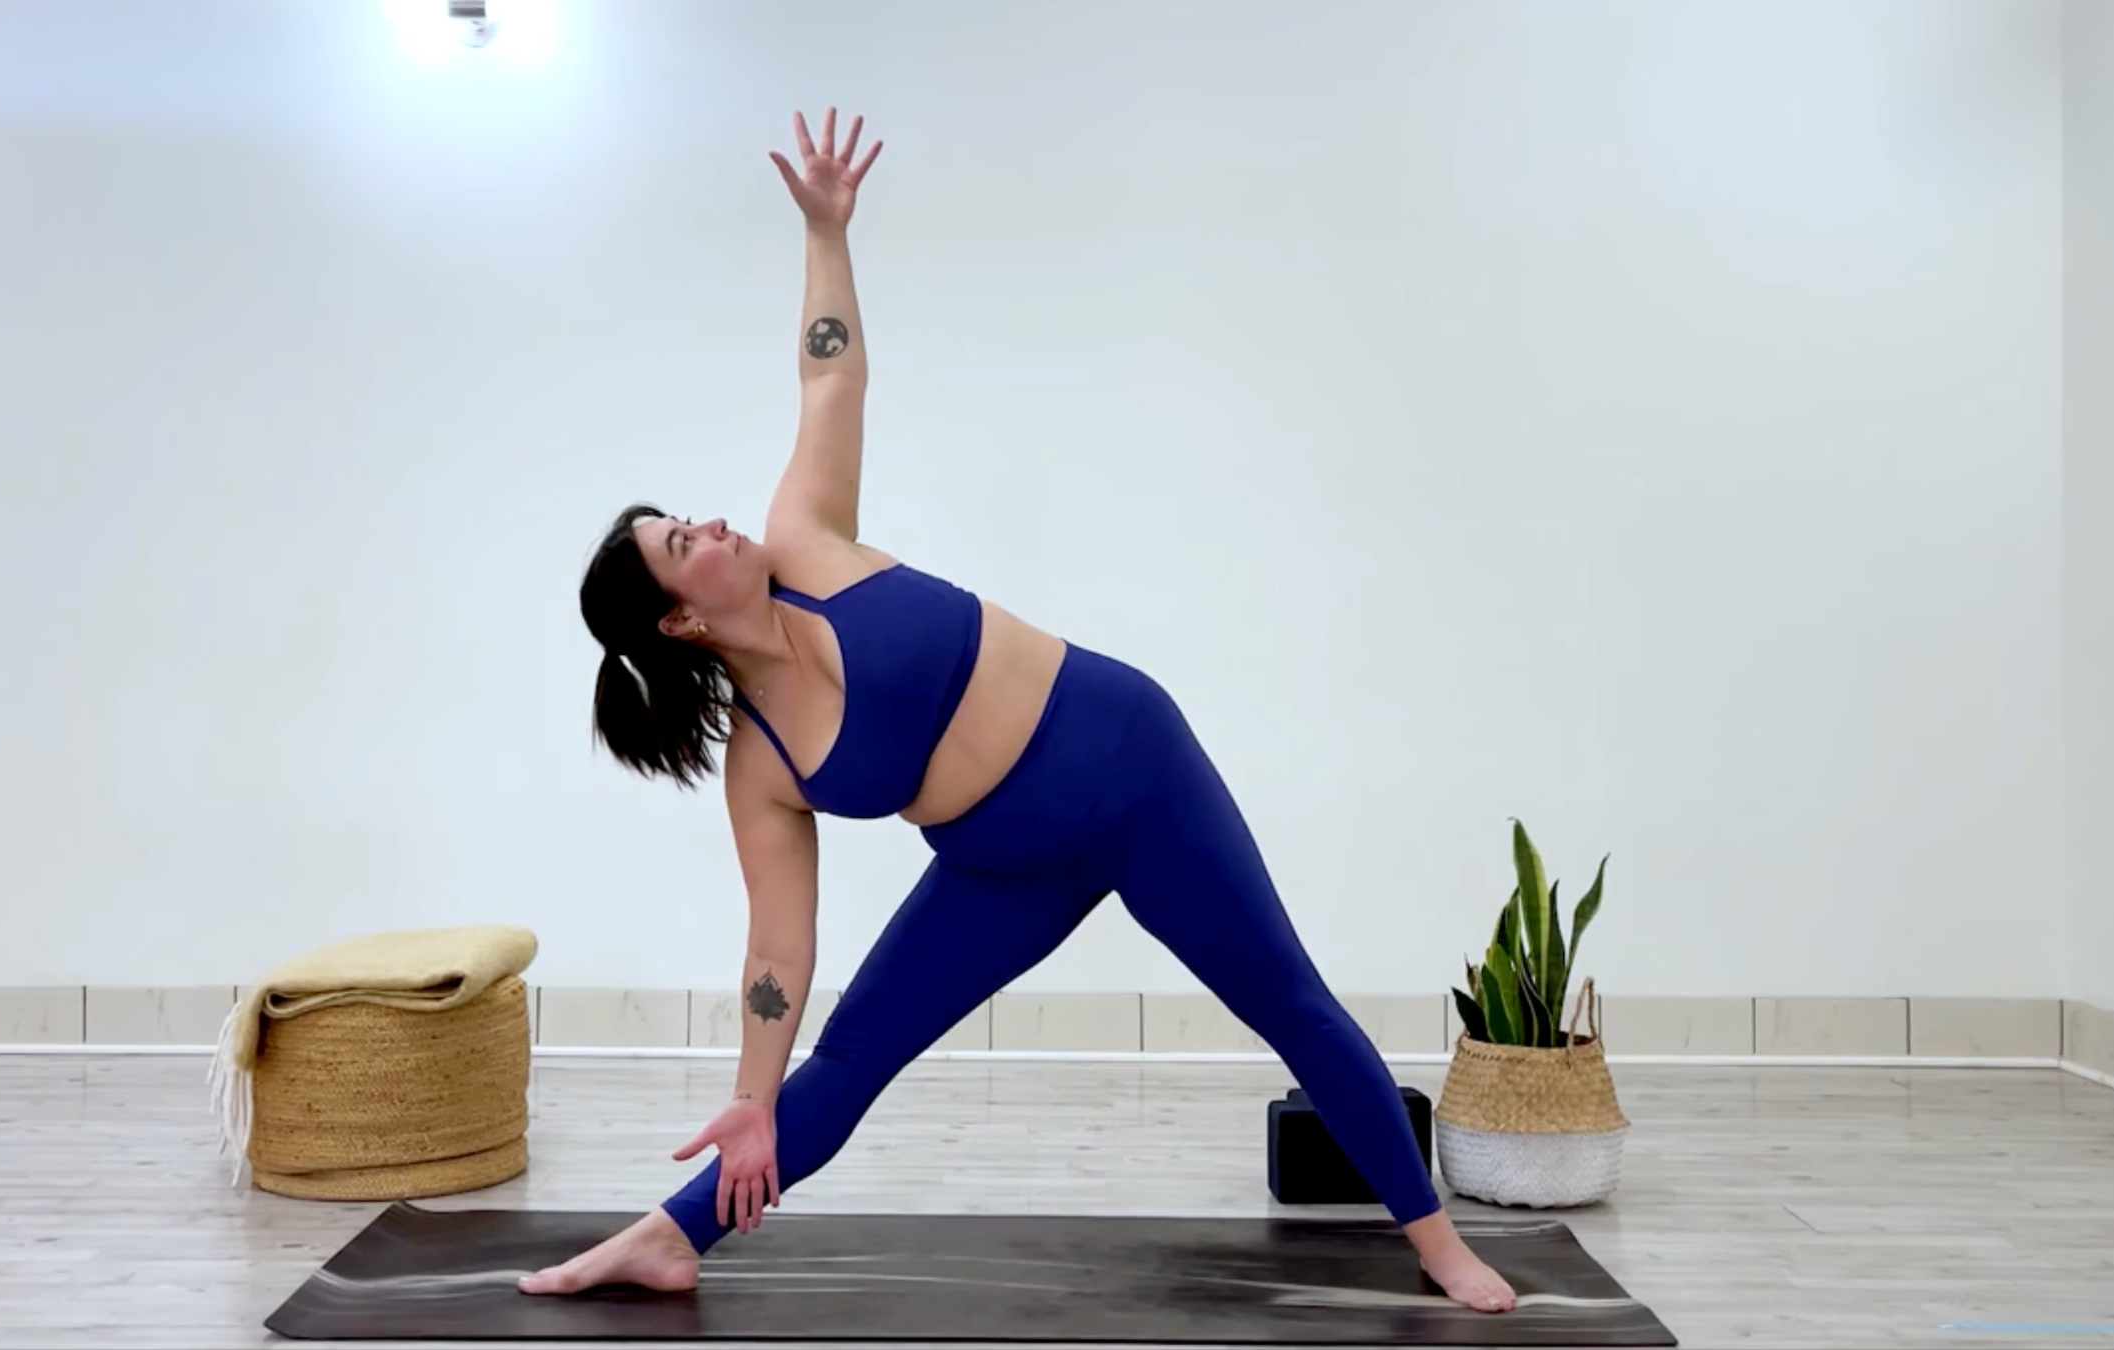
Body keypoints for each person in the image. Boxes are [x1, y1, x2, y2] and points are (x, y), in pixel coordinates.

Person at [517, 109, 1516, 1315]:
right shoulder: (761, 765)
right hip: (1004, 864)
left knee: (1287, 1002)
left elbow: (830, 369)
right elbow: (778, 954)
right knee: (842, 1063)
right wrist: (748, 1085)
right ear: (678, 620)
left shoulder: (809, 542)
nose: (715, 524)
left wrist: (827, 232)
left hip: (1131, 773)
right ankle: (670, 1238)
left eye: (692, 514)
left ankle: (1438, 1243)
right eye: (685, 541)